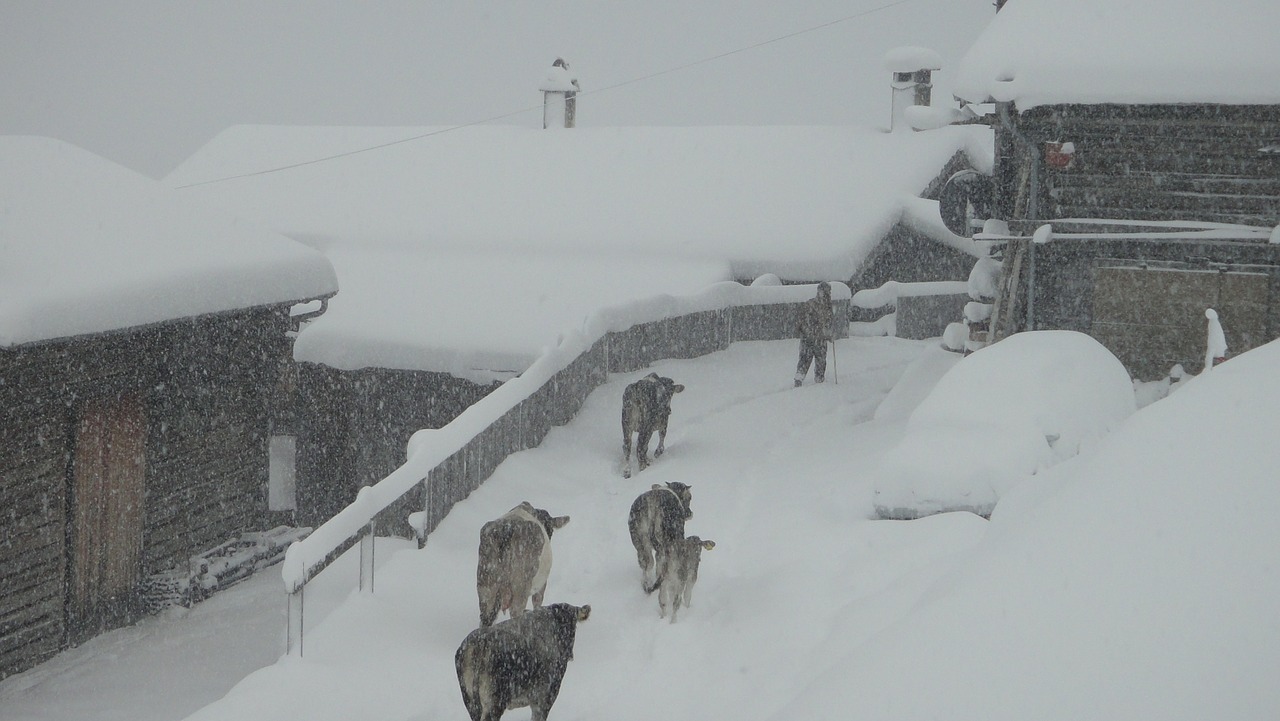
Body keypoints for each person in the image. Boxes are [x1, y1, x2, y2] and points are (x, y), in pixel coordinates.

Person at [794, 282, 834, 387]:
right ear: (819, 292)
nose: (826, 294)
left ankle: (819, 382)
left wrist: (829, 334)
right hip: (809, 338)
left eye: (828, 292)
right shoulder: (810, 304)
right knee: (805, 359)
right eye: (824, 291)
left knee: (820, 361)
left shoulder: (828, 307)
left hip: (820, 339)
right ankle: (799, 379)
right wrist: (809, 332)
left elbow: (829, 323)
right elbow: (802, 321)